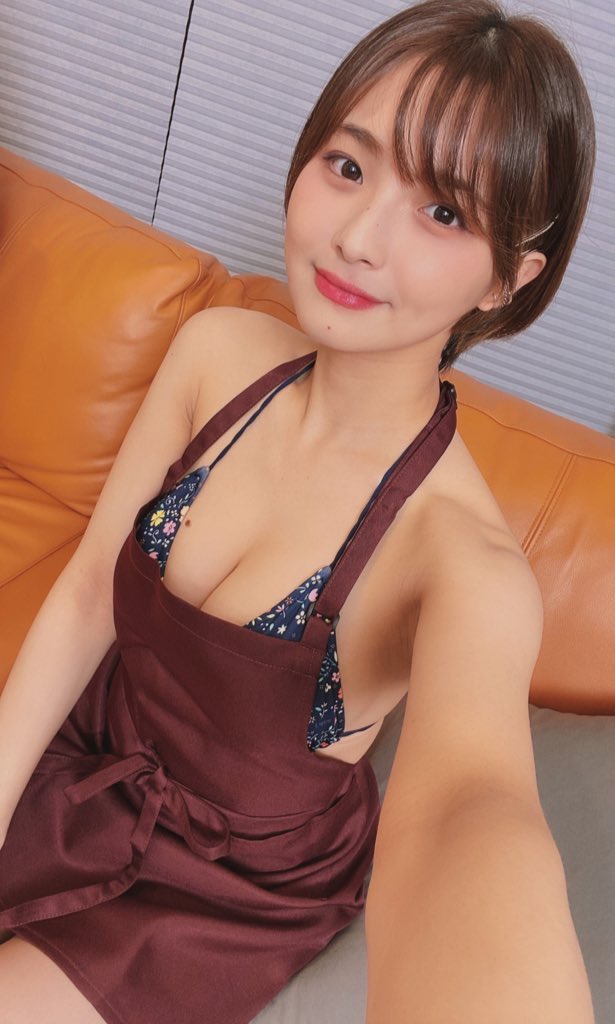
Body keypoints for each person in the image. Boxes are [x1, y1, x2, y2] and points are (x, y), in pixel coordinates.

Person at [0, 1, 597, 1021]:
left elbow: (473, 811)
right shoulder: (217, 354)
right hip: (93, 749)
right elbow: (94, 592)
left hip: (223, 890)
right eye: (348, 166)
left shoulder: (463, 563)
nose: (356, 238)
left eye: (443, 214)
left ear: (509, 277)